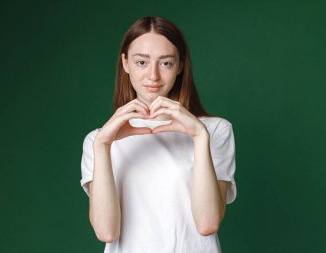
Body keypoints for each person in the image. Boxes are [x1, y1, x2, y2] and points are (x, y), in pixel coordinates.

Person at [80, 16, 237, 253]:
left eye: (165, 63)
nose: (153, 76)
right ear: (125, 63)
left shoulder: (214, 130)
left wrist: (199, 137)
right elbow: (106, 232)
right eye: (141, 62)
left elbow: (208, 224)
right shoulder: (98, 140)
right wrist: (103, 146)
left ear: (180, 66)